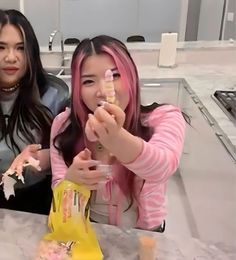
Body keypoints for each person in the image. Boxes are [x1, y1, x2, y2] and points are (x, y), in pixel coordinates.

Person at [51, 35, 186, 231]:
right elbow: (59, 189)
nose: (103, 91)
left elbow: (162, 167)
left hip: (143, 235)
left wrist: (115, 138)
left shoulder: (163, 117)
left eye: (114, 76)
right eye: (88, 81)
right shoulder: (64, 125)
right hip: (87, 232)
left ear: (131, 76)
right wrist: (71, 181)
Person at [0, 9, 69, 214]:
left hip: (38, 202)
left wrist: (44, 156)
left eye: (20, 48)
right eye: (1, 47)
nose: (11, 57)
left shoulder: (54, 94)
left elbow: (71, 148)